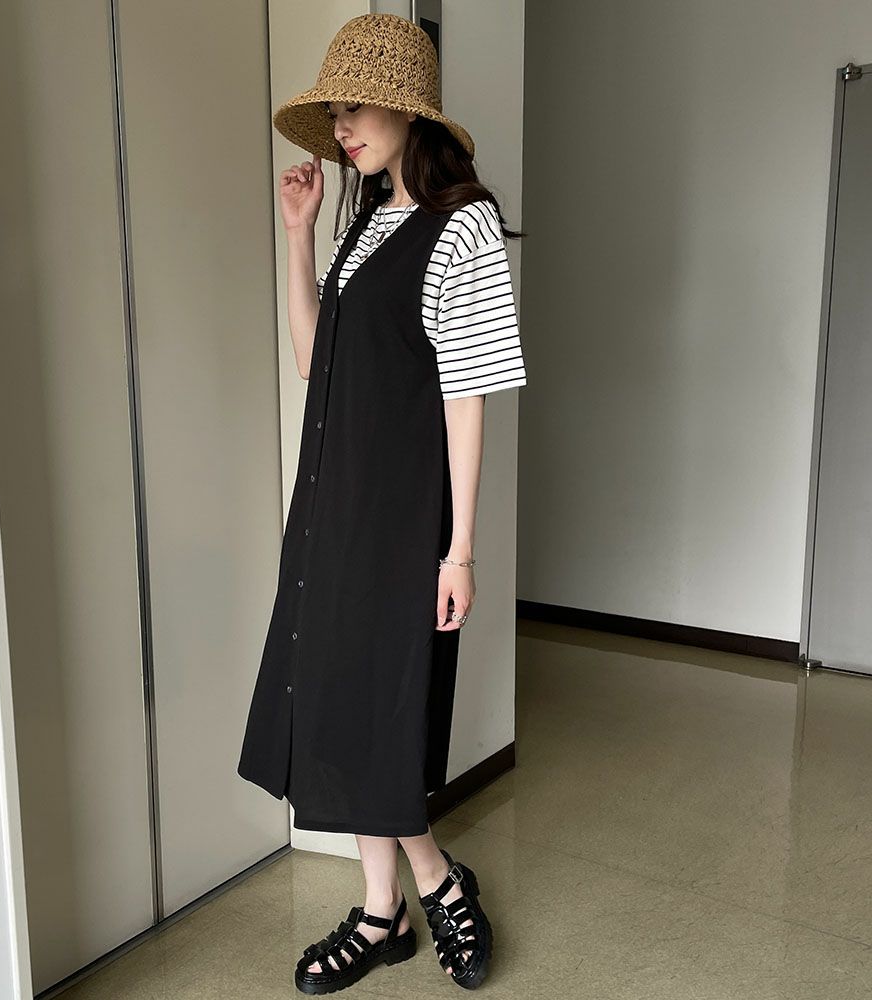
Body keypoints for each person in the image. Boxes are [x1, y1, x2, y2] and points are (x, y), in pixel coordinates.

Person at [236, 13, 527, 994]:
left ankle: (429, 884)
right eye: (334, 114)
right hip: (331, 512)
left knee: (381, 712)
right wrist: (298, 236)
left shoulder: (464, 225)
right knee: (343, 704)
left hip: (401, 522)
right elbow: (313, 359)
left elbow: (468, 395)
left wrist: (459, 549)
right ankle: (385, 909)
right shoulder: (362, 227)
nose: (342, 128)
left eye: (357, 109)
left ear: (409, 111)